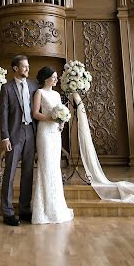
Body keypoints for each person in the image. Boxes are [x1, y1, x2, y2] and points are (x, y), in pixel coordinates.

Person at [31, 66, 74, 225]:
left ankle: (56, 206)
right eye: (54, 77)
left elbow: (60, 112)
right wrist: (51, 119)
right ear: (45, 78)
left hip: (56, 133)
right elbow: (35, 113)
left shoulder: (56, 94)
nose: (56, 79)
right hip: (45, 133)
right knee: (46, 166)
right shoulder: (39, 93)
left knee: (55, 167)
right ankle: (43, 209)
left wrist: (61, 122)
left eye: (56, 77)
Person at [0, 55, 39, 226]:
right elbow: (3, 114)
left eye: (28, 66)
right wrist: (5, 137)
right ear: (15, 68)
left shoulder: (33, 86)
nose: (27, 69)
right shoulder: (6, 88)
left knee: (28, 173)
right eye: (24, 66)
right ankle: (7, 212)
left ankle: (24, 209)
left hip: (31, 132)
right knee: (9, 173)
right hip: (15, 134)